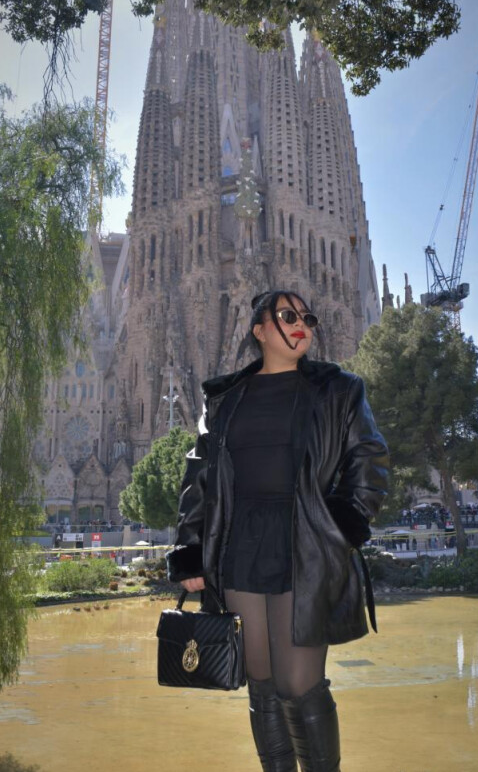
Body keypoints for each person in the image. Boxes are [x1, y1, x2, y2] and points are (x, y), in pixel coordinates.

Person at [166, 290, 389, 772]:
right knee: (263, 684)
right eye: (288, 315)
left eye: (307, 316)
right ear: (260, 330)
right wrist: (190, 549)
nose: (301, 323)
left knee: (299, 683)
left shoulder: (338, 389)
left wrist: (343, 525)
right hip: (239, 544)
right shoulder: (224, 398)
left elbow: (369, 460)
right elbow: (199, 475)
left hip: (304, 541)